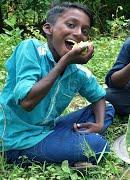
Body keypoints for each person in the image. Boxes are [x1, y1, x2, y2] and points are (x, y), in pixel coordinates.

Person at [0, 2, 115, 168]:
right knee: (98, 146)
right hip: (16, 139)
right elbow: (27, 102)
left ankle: (66, 143)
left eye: (85, 31)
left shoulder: (76, 71)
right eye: (71, 25)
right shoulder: (30, 49)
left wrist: (99, 124)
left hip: (47, 128)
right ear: (48, 28)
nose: (78, 33)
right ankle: (62, 147)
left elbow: (99, 96)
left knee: (108, 108)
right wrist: (65, 61)